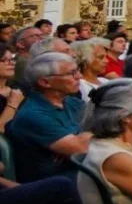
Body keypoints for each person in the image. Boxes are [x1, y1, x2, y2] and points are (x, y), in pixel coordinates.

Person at [10, 51, 90, 182]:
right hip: (54, 184)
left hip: (80, 173)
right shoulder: (32, 115)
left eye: (78, 71)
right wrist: (91, 136)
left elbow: (105, 129)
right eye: (72, 73)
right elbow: (83, 151)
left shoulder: (72, 102)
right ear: (45, 82)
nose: (80, 76)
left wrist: (81, 137)